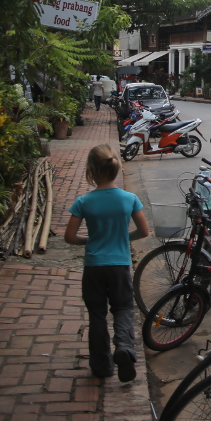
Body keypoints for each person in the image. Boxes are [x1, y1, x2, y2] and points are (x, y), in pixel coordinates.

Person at [64, 144, 150, 382]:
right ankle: (124, 347)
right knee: (123, 309)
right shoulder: (129, 199)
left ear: (91, 171)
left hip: (94, 267)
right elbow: (143, 231)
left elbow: (69, 237)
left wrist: (90, 241)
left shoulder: (84, 202)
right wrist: (122, 237)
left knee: (97, 315)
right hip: (119, 266)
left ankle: (101, 366)